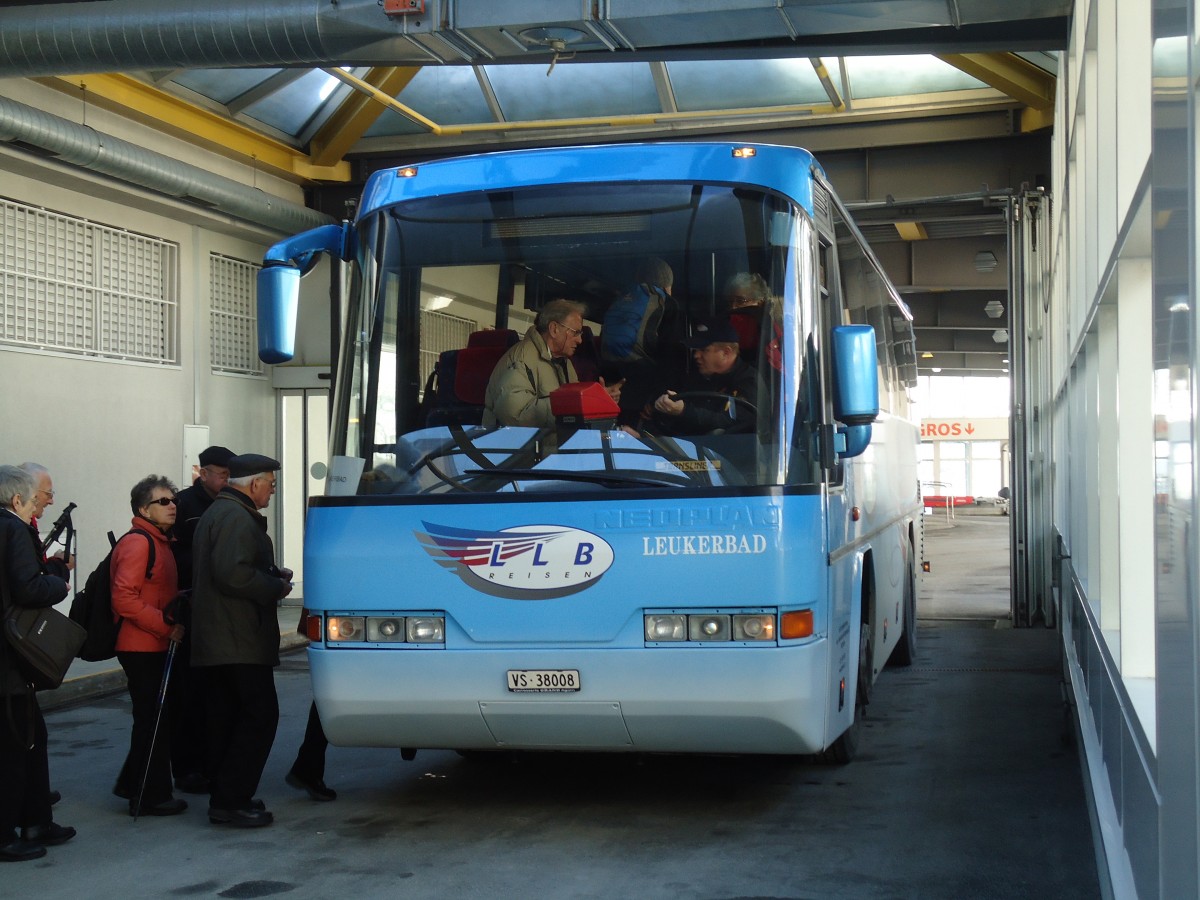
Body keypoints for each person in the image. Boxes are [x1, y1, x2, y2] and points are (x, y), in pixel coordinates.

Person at [190, 453, 292, 828]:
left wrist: (268, 573)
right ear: (254, 484)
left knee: (228, 716)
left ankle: (228, 794)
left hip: (223, 637)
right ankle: (231, 798)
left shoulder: (221, 512)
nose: (272, 491)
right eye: (271, 484)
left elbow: (233, 567)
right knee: (259, 716)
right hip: (237, 637)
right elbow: (232, 575)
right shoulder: (235, 516)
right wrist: (275, 586)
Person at [0, 465, 73, 862]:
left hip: (9, 661)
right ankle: (11, 830)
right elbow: (28, 588)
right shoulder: (12, 528)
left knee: (30, 737)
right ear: (16, 500)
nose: (39, 507)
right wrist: (59, 580)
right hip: (10, 658)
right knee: (16, 745)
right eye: (34, 500)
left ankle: (35, 819)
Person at [110, 475, 188, 817]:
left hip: (153, 643)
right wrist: (165, 626)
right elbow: (123, 599)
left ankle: (135, 783)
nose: (172, 506)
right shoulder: (139, 543)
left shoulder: (161, 541)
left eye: (173, 500)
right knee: (152, 719)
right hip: (141, 646)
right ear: (143, 508)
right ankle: (150, 794)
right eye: (163, 501)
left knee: (154, 718)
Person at [168, 444, 235, 795]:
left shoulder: (231, 505)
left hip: (218, 611)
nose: (226, 480)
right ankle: (187, 767)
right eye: (221, 474)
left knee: (216, 694)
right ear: (203, 473)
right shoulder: (183, 505)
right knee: (188, 694)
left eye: (229, 475)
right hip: (191, 607)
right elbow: (172, 554)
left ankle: (212, 762)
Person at [482, 299, 621, 428]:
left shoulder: (565, 362)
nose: (580, 340)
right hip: (525, 452)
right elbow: (514, 416)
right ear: (554, 329)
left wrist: (598, 401)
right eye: (575, 333)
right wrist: (576, 403)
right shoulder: (522, 359)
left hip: (550, 449)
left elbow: (573, 413)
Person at [601, 258, 677, 425]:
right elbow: (671, 358)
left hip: (617, 390)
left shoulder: (619, 300)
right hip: (648, 392)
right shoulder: (667, 304)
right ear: (667, 285)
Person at [651, 318, 758, 435]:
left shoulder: (749, 382)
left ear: (726, 353)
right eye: (696, 350)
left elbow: (732, 424)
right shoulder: (699, 376)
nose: (696, 355)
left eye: (703, 350)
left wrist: (683, 410)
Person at [19, 462, 73, 580]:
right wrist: (60, 564)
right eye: (48, 494)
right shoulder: (16, 529)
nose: (51, 501)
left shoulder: (28, 523)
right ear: (30, 492)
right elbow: (30, 580)